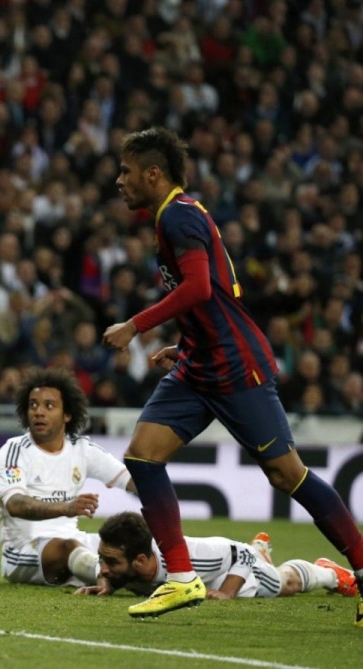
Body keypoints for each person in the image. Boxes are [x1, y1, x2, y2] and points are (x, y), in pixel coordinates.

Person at [102, 127, 363, 624]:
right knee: (142, 456)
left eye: (126, 171)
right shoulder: (175, 216)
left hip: (235, 366)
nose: (119, 180)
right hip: (199, 363)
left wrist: (136, 325)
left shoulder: (177, 216)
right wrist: (186, 344)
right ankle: (182, 579)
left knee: (287, 474)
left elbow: (199, 288)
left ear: (153, 174)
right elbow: (213, 296)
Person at [0, 367, 136, 587]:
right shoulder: (14, 450)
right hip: (24, 552)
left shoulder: (82, 449)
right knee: (66, 548)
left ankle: (170, 578)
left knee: (130, 545)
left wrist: (152, 477)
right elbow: (15, 504)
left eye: (49, 406)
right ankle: (109, 577)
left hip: (75, 542)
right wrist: (66, 507)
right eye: (33, 405)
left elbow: (132, 481)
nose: (38, 412)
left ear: (67, 414)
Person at [78, 511, 358, 601]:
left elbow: (243, 554)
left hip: (230, 569)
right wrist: (106, 584)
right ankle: (263, 553)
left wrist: (226, 592)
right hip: (213, 575)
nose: (103, 567)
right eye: (103, 559)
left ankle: (330, 573)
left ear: (140, 560)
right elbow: (110, 569)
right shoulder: (124, 564)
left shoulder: (188, 557)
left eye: (110, 563)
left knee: (284, 584)